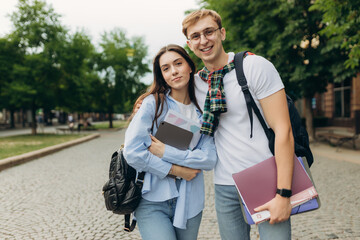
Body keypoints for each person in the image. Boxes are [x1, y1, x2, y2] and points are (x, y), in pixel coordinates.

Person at [181, 9, 294, 239]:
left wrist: (283, 193)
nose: (203, 40)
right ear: (189, 44)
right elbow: (187, 131)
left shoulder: (254, 67)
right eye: (196, 36)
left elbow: (284, 130)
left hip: (267, 178)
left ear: (222, 33)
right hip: (225, 186)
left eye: (209, 31)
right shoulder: (195, 84)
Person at [123, 44, 217, 240]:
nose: (174, 71)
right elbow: (132, 152)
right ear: (162, 75)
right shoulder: (153, 104)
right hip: (151, 201)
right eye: (166, 68)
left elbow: (208, 159)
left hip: (190, 202)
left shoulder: (204, 113)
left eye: (178, 64)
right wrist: (177, 170)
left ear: (190, 67)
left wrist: (164, 151)